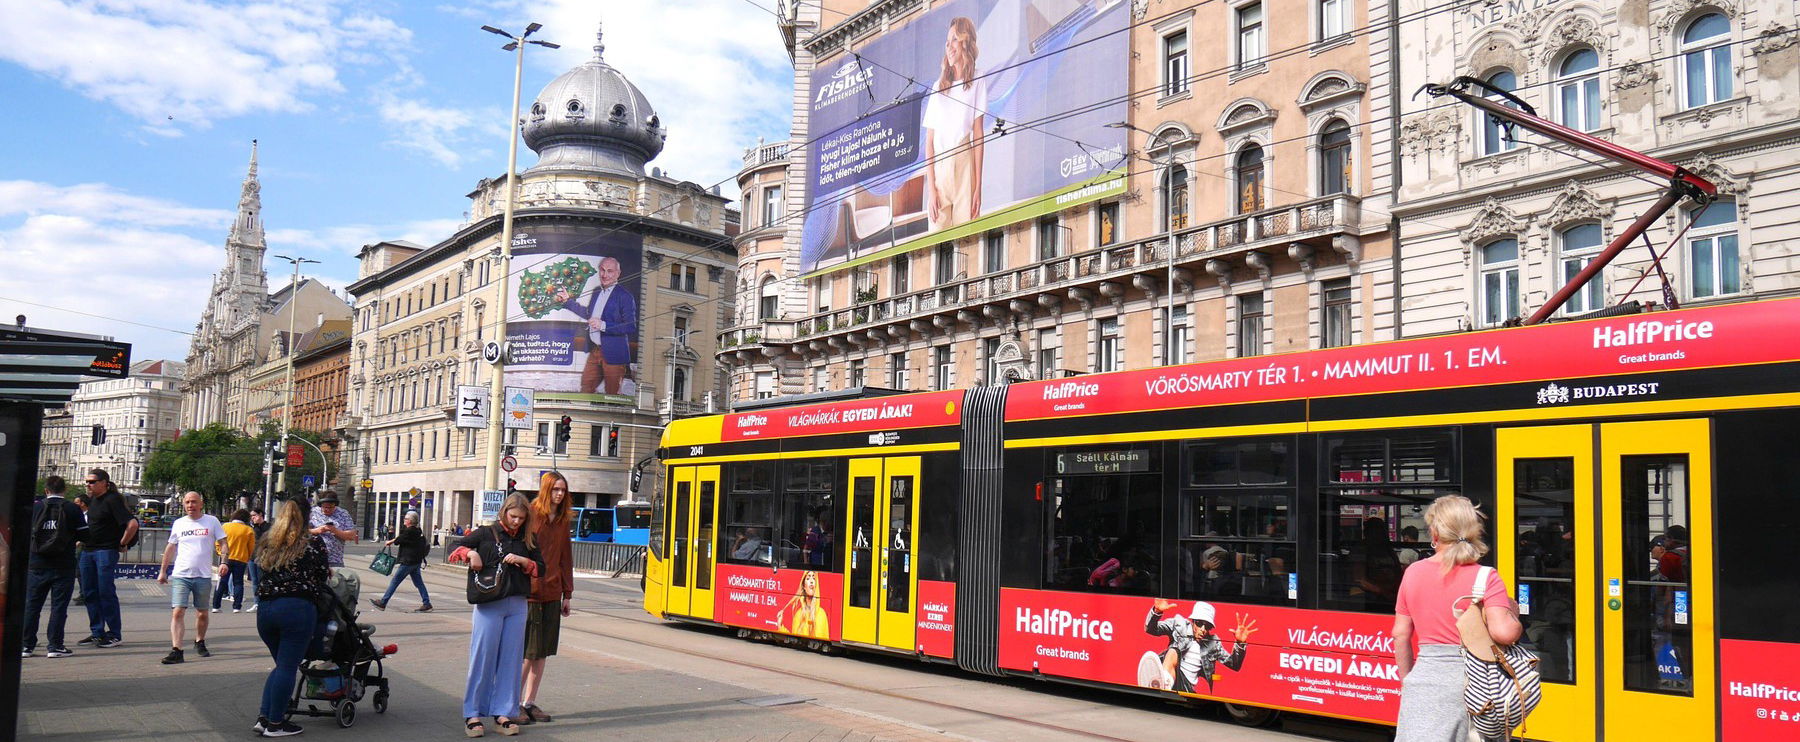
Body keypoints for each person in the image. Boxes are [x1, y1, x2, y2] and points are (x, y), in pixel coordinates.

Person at [1392, 495, 1523, 742]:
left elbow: (1400, 634)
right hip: (1472, 683)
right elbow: (1504, 633)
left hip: (1423, 679)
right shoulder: (1486, 577)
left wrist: (1409, 681)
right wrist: (1513, 614)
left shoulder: (1413, 572)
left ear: (1434, 533)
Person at [450, 494, 543, 737]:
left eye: (522, 519)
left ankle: (503, 712)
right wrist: (470, 554)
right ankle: (473, 712)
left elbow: (540, 567)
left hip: (518, 603)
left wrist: (525, 561)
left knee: (511, 661)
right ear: (504, 513)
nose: (516, 522)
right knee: (482, 658)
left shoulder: (528, 538)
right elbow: (453, 547)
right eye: (513, 516)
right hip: (489, 603)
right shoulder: (485, 533)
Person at [252, 498, 332, 738]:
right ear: (307, 516)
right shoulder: (312, 542)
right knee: (287, 667)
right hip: (297, 609)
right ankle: (275, 724)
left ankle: (264, 718)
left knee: (281, 666)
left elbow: (257, 571)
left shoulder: (267, 541)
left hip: (265, 609)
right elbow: (322, 575)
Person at [519, 472, 575, 724]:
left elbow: (565, 557)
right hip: (530, 592)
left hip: (552, 592)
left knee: (542, 653)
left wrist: (567, 594)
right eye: (555, 489)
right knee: (527, 652)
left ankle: (528, 702)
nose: (560, 494)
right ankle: (511, 702)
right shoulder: (532, 514)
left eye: (563, 490)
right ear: (546, 490)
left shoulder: (562, 520)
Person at [921, 16, 987, 231]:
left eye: (954, 40)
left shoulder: (978, 81)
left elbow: (978, 136)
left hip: (965, 166)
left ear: (966, 43)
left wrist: (978, 187)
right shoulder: (937, 88)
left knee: (965, 239)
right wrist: (931, 191)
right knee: (935, 240)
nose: (949, 47)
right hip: (940, 172)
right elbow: (929, 144)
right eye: (947, 42)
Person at [156, 491, 226, 664]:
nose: (190, 505)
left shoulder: (212, 521)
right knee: (178, 611)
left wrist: (224, 562)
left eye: (193, 502)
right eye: (187, 502)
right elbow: (171, 547)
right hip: (181, 575)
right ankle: (177, 650)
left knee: (202, 613)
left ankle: (199, 641)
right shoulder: (179, 523)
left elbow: (223, 543)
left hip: (203, 575)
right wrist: (163, 571)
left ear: (201, 504)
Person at [23, 476, 87, 658]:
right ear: (64, 490)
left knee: (32, 606)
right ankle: (55, 646)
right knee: (58, 607)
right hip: (63, 565)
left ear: (46, 490)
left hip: (36, 564)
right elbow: (85, 535)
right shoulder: (73, 508)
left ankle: (26, 645)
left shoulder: (35, 508)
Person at [554, 256, 637, 396]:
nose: (605, 275)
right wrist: (568, 301)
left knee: (612, 395)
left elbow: (630, 326)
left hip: (614, 354)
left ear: (618, 273)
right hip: (595, 351)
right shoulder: (597, 291)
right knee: (585, 389)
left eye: (610, 271)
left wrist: (603, 325)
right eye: (602, 270)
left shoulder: (625, 296)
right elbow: (588, 314)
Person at [78, 469, 137, 648]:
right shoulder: (94, 501)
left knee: (105, 592)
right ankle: (97, 631)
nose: (88, 485)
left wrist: (122, 542)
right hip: (88, 551)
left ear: (105, 482)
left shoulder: (112, 499)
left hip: (105, 551)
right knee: (89, 592)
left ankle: (114, 634)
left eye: (92, 482)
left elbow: (132, 523)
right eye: (87, 481)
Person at [1143, 599, 1256, 692]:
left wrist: (1240, 643)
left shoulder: (1213, 643)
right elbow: (1150, 629)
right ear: (1192, 621)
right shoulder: (1179, 624)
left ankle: (1162, 683)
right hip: (1172, 676)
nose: (1203, 630)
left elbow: (1234, 664)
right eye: (1199, 623)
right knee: (1173, 651)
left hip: (1187, 687)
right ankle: (1164, 684)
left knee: (1173, 652)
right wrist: (1156, 612)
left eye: (1207, 627)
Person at [371, 511, 433, 613]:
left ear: (410, 521)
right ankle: (427, 603)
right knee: (419, 583)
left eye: (405, 519)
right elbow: (401, 538)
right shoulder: (418, 531)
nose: (404, 520)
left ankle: (383, 603)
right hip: (416, 561)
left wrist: (390, 541)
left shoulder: (409, 531)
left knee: (395, 581)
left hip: (408, 562)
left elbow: (398, 540)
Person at [213, 510, 256, 613]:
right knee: (238, 583)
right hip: (241, 559)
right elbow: (251, 547)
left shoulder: (225, 527)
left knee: (222, 581)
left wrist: (220, 553)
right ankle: (236, 607)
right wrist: (247, 557)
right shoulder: (248, 530)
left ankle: (216, 606)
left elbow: (218, 543)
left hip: (226, 559)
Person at [308, 491, 358, 567]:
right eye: (325, 507)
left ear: (335, 505)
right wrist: (317, 530)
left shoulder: (343, 514)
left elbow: (351, 535)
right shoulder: (313, 512)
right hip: (314, 559)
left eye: (331, 507)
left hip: (335, 560)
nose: (327, 510)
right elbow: (301, 532)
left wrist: (335, 531)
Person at [246, 508, 270, 612]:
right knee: (255, 581)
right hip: (252, 557)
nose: (252, 518)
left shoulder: (268, 527)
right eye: (251, 516)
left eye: (254, 515)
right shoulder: (252, 528)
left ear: (260, 515)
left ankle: (265, 602)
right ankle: (256, 603)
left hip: (263, 557)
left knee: (263, 580)